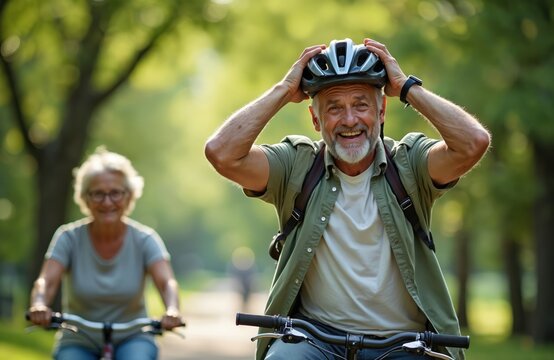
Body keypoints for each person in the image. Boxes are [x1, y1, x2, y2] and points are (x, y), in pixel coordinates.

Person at [205, 37, 490, 360]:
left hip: (402, 345)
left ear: (382, 111)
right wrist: (284, 90)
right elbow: (222, 153)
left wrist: (407, 88)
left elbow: (473, 143)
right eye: (334, 108)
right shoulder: (297, 166)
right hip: (313, 341)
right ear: (316, 120)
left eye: (361, 105)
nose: (350, 120)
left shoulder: (409, 165)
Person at [28, 147, 184, 360]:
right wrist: (39, 304)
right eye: (98, 194)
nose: (107, 202)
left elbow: (167, 282)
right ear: (85, 198)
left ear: (129, 197)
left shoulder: (145, 239)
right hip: (78, 338)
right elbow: (46, 281)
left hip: (133, 337)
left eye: (115, 193)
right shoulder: (68, 237)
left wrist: (172, 309)